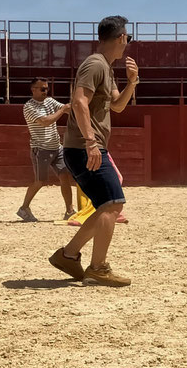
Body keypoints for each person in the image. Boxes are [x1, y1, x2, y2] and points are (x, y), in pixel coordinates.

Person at [48, 15, 139, 287]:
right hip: (84, 146)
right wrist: (90, 141)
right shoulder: (95, 64)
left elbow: (118, 106)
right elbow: (79, 102)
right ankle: (97, 268)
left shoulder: (107, 68)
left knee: (105, 205)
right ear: (121, 37)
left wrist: (132, 82)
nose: (128, 43)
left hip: (86, 146)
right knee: (113, 204)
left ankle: (68, 255)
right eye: (128, 38)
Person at [17, 77, 76, 222]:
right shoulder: (29, 106)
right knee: (40, 181)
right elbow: (45, 121)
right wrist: (63, 110)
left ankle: (69, 210)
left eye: (47, 88)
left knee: (65, 176)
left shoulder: (49, 101)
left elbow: (67, 109)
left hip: (56, 147)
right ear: (33, 90)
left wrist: (76, 106)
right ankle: (24, 208)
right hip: (41, 149)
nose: (45, 91)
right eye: (42, 89)